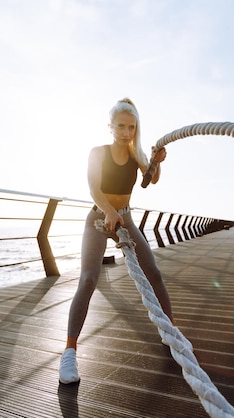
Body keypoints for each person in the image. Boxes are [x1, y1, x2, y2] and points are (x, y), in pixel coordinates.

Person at [59, 98, 173, 384]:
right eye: (120, 126)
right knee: (87, 279)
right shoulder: (98, 152)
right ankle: (69, 352)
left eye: (131, 127)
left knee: (154, 273)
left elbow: (150, 181)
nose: (125, 131)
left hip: (127, 219)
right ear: (110, 126)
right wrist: (109, 211)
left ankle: (171, 332)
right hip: (99, 219)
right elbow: (94, 188)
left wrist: (156, 163)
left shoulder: (136, 155)